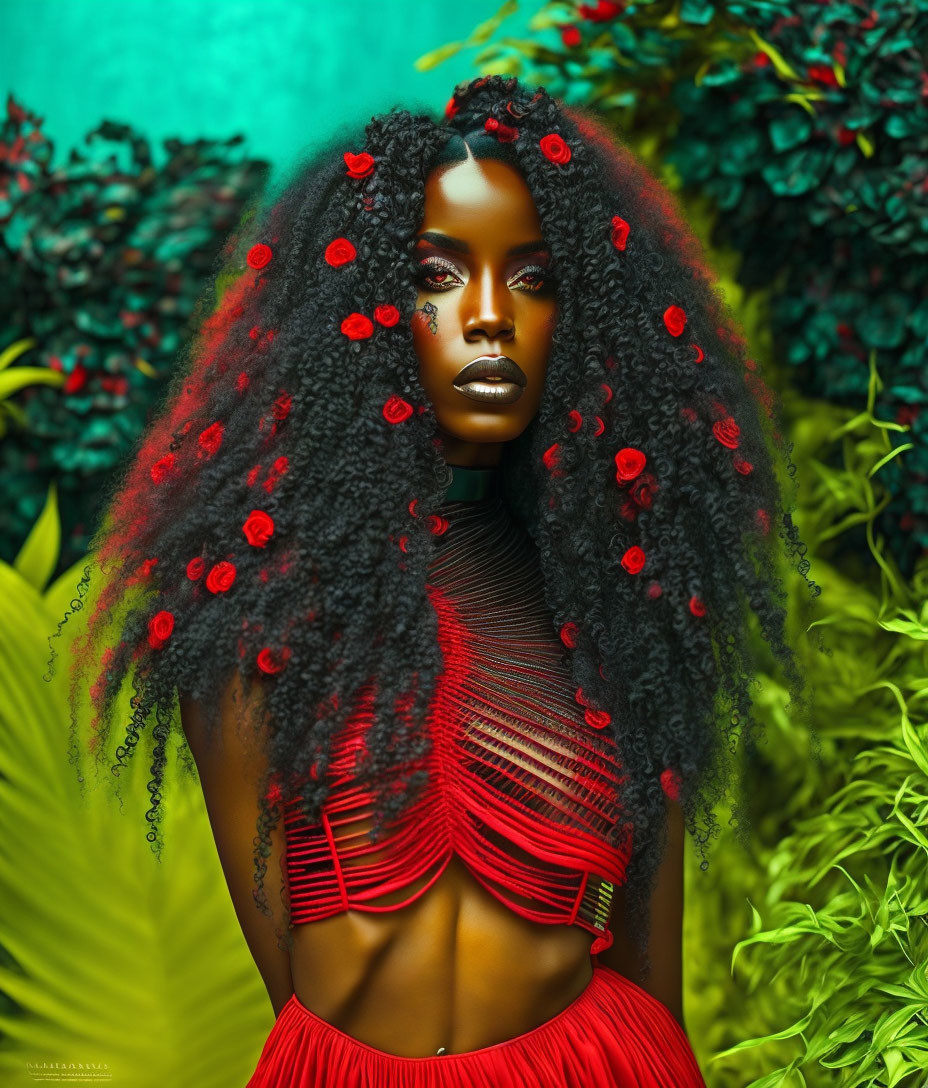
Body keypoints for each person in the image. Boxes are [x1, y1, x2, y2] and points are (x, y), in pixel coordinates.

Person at [53, 75, 813, 1085]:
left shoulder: (619, 609)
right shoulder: (254, 617)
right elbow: (294, 986)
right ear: (359, 307)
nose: (490, 318)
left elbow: (649, 972)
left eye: (534, 280)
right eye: (438, 274)